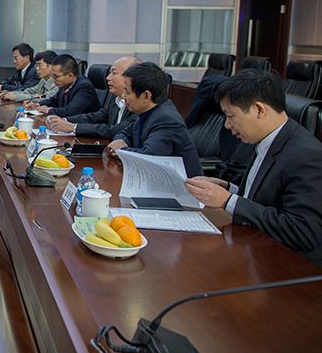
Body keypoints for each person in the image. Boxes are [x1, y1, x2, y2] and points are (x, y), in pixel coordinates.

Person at [185, 70, 322, 264]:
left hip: (286, 266)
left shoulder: (306, 155)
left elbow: (303, 231)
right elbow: (267, 198)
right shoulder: (268, 140)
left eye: (230, 116)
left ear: (259, 109)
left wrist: (228, 200)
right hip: (256, 249)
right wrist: (228, 188)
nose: (227, 125)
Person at [107, 62, 202, 177]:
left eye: (127, 92)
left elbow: (149, 157)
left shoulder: (166, 120)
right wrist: (120, 142)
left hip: (180, 185)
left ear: (146, 96)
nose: (123, 96)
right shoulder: (148, 112)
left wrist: (122, 150)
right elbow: (125, 132)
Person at [47, 56, 140, 139]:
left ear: (131, 78)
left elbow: (114, 130)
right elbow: (98, 116)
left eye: (114, 73)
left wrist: (73, 127)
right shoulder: (115, 97)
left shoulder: (138, 103)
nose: (108, 77)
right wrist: (65, 120)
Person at [24, 54, 99, 117]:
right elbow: (54, 100)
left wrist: (48, 110)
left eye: (56, 76)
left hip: (83, 127)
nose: (53, 80)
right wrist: (37, 104)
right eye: (52, 76)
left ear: (70, 75)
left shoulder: (84, 87)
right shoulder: (64, 84)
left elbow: (70, 111)